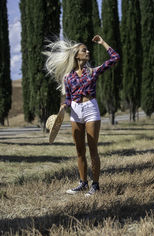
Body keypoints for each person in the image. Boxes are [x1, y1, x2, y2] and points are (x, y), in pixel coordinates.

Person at [44, 35, 120, 196]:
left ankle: (96, 185)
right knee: (79, 151)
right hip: (75, 112)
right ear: (77, 55)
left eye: (87, 49)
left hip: (91, 109)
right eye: (84, 50)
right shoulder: (68, 77)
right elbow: (70, 98)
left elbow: (115, 58)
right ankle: (83, 183)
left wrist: (102, 43)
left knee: (93, 149)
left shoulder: (93, 72)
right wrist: (64, 104)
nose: (88, 51)